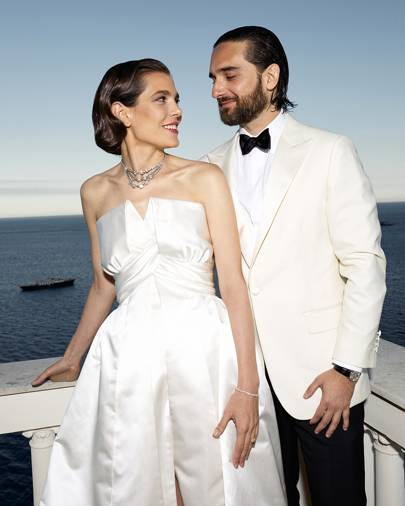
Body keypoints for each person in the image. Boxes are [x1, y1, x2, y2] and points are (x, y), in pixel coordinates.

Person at [31, 59, 286, 506]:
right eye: (161, 99)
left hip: (206, 353)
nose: (178, 110)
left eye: (177, 99)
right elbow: (102, 286)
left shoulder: (204, 179)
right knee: (138, 486)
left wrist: (248, 387)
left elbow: (234, 286)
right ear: (123, 112)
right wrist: (73, 357)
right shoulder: (94, 192)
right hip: (129, 359)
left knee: (217, 484)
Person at [204, 26, 386, 506]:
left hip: (321, 381)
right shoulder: (207, 167)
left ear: (270, 77)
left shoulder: (330, 151)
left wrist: (346, 371)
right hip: (247, 385)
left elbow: (365, 265)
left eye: (229, 75)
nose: (216, 89)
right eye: (212, 78)